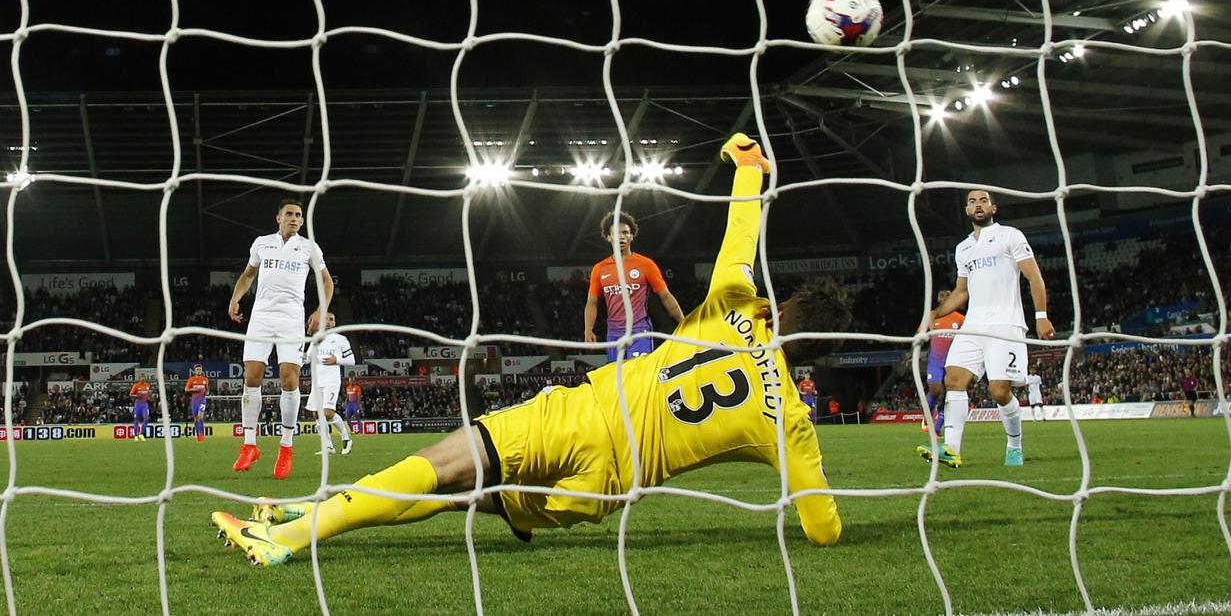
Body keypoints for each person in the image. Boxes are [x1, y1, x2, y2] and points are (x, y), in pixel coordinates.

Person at [209, 133, 853, 567]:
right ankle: (310, 511)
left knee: (439, 466)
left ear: (780, 308)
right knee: (451, 494)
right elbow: (821, 527)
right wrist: (822, 504)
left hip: (573, 417)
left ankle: (287, 537)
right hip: (598, 491)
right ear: (820, 355)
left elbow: (741, 235)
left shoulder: (736, 308)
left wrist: (747, 167)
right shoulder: (789, 420)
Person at [917, 189, 1054, 469]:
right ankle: (951, 450)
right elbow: (961, 291)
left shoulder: (1010, 236)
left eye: (983, 201)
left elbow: (1034, 276)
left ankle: (1014, 444)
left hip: (1006, 323)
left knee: (1000, 390)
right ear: (967, 211)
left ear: (994, 207)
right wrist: (936, 312)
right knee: (953, 379)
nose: (977, 205)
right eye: (971, 202)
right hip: (974, 325)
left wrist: (1041, 315)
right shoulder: (963, 248)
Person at [228, 199, 333, 479]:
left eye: (298, 215)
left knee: (289, 379)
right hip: (261, 316)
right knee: (251, 377)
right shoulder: (262, 243)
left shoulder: (309, 247)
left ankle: (286, 447)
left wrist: (321, 308)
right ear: (278, 218)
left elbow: (326, 281)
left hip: (290, 319)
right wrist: (236, 298)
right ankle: (249, 445)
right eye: (289, 214)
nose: (294, 219)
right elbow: (248, 274)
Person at [583, 211, 686, 363]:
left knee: (638, 375)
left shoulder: (646, 265)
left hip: (639, 331)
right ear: (608, 237)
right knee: (619, 379)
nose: (621, 237)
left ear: (632, 236)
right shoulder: (600, 269)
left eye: (625, 233)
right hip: (614, 334)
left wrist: (683, 322)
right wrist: (588, 329)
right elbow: (592, 302)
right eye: (616, 234)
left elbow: (665, 296)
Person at [305, 313, 355, 455]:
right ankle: (328, 446)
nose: (328, 322)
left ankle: (346, 438)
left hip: (331, 380)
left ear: (334, 323)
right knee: (316, 414)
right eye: (325, 319)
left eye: (331, 319)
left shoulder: (341, 340)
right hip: (317, 380)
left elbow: (352, 360)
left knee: (327, 412)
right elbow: (307, 358)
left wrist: (337, 359)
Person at [922, 290, 964, 436]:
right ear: (939, 299)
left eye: (947, 295)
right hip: (935, 361)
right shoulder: (932, 316)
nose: (944, 298)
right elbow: (921, 333)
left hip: (953, 361)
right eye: (942, 296)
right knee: (935, 389)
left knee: (950, 394)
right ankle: (927, 415)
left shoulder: (960, 319)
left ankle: (938, 427)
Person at [184, 365, 209, 442]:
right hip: (195, 401)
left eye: (200, 369)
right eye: (197, 369)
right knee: (195, 418)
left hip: (202, 401)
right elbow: (186, 389)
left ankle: (201, 435)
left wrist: (207, 392)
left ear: (202, 371)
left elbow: (207, 390)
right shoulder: (191, 380)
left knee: (200, 417)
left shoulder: (205, 379)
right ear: (194, 371)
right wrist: (194, 389)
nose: (198, 371)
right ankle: (198, 434)